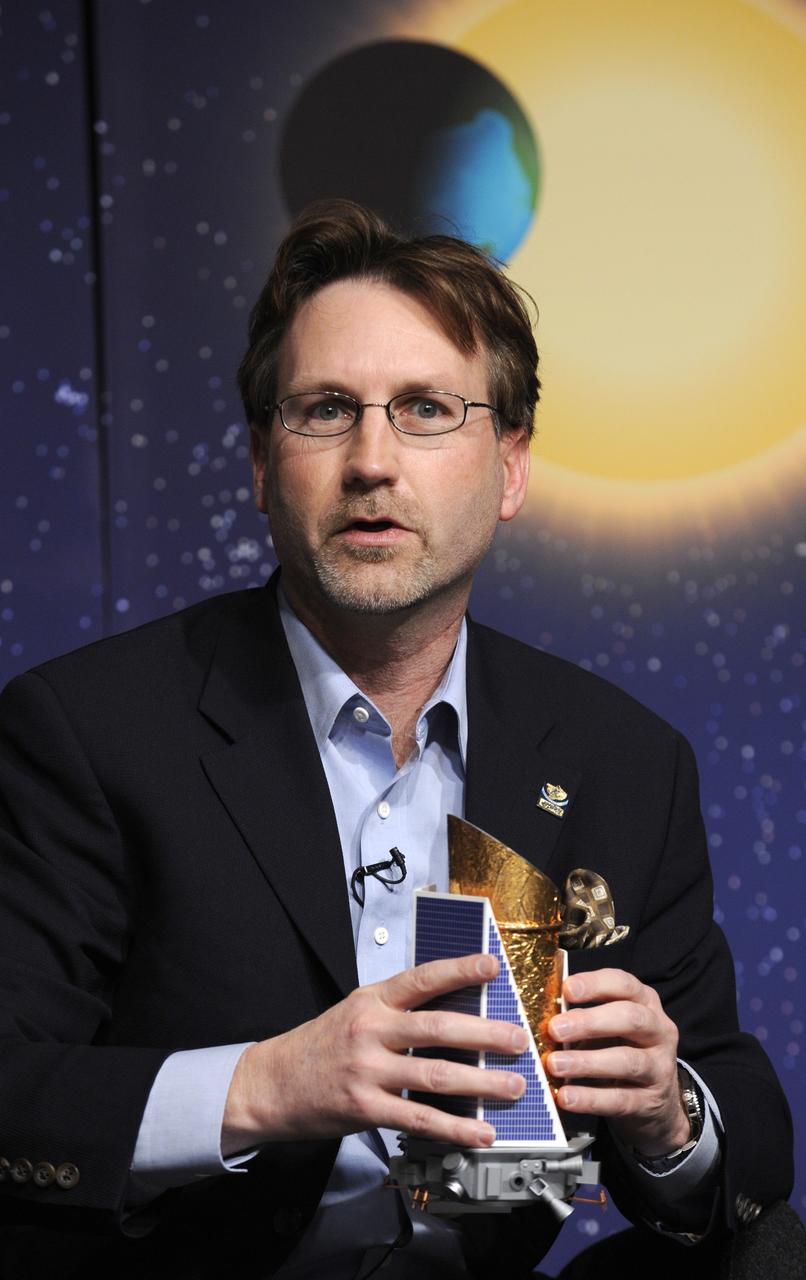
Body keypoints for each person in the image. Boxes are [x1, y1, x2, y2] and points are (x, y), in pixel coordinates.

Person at [0, 200, 793, 1279]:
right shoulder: (88, 729)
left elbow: (739, 1115)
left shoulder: (620, 756)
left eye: (425, 409)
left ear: (508, 467)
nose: (372, 459)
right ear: (259, 464)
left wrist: (667, 1112)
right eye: (326, 410)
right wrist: (263, 1084)